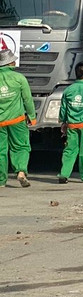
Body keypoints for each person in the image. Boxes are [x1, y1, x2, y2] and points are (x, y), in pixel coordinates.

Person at [0, 42, 35, 188]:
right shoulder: (19, 78)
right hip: (17, 120)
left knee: (1, 151)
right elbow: (27, 99)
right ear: (11, 62)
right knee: (21, 147)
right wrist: (32, 117)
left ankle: (1, 181)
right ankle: (21, 171)